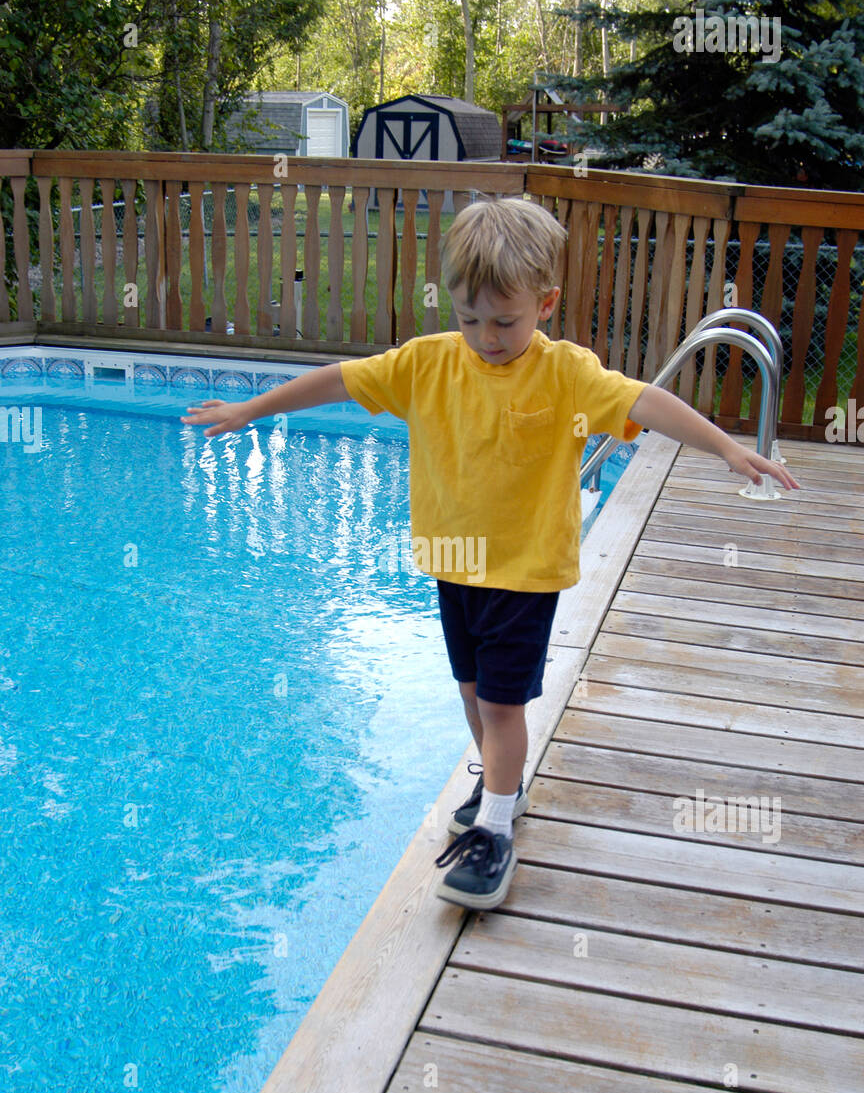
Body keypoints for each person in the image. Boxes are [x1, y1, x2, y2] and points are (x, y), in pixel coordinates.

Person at [180, 197, 800, 913]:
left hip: (524, 573)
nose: (486, 336)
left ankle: (496, 835)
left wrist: (726, 446)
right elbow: (341, 379)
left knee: (504, 710)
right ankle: (501, 788)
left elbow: (647, 403)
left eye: (504, 321)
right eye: (470, 318)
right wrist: (249, 409)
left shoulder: (567, 374)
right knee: (475, 699)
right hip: (454, 564)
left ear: (545, 302)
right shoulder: (427, 364)